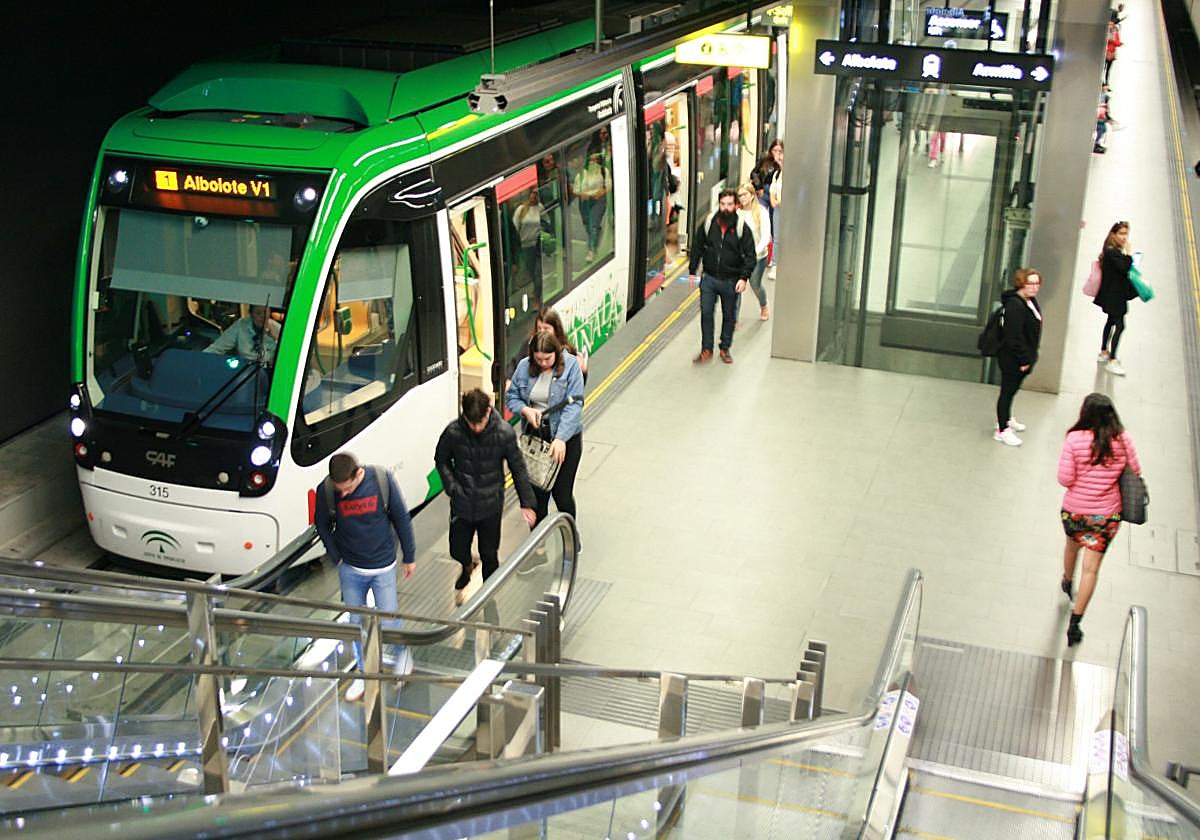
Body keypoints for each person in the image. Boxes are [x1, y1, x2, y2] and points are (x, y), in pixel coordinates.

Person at [314, 452, 417, 702]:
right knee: (355, 623)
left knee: (390, 618)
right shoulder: (327, 490)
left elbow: (401, 517)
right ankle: (365, 672)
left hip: (383, 566)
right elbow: (322, 525)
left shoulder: (381, 479)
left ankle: (403, 654)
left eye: (348, 489)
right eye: (341, 491)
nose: (345, 494)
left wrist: (409, 555)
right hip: (350, 569)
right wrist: (337, 558)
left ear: (358, 473)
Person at [435, 389, 537, 606]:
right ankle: (467, 565)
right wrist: (452, 487)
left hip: (491, 505)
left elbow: (518, 468)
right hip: (462, 503)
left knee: (490, 554)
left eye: (479, 422)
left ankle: (489, 596)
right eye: (471, 424)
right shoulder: (453, 432)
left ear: (488, 411)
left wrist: (527, 503)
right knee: (457, 548)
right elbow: (441, 459)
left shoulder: (504, 433)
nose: (476, 428)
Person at [1058, 393, 1141, 646]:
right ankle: (1075, 624)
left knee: (1072, 544)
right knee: (1091, 569)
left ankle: (1067, 580)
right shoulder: (1122, 439)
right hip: (1106, 517)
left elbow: (1065, 479)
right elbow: (1136, 471)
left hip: (1074, 512)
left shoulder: (1074, 439)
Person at [505, 332, 585, 530]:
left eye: (547, 359)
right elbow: (512, 397)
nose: (543, 363)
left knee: (562, 495)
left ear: (556, 353)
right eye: (538, 359)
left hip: (565, 439)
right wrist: (525, 410)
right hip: (536, 438)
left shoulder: (571, 366)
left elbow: (575, 404)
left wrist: (561, 438)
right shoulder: (524, 367)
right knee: (538, 496)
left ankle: (570, 536)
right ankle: (538, 548)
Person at [687, 189, 757, 364]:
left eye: (729, 205)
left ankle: (725, 348)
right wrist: (692, 271)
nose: (725, 208)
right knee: (706, 313)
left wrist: (743, 278)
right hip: (709, 278)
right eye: (723, 204)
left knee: (729, 316)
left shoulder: (742, 228)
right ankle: (706, 349)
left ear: (736, 206)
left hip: (731, 280)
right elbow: (697, 246)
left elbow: (751, 256)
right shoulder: (709, 223)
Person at [993, 267, 1043, 447]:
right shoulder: (1015, 305)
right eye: (1030, 283)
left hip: (1023, 356)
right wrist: (1023, 359)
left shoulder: (1029, 301)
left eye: (1037, 283)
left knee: (1012, 390)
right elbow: (1014, 336)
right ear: (1021, 283)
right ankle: (1002, 429)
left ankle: (1006, 419)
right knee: (1007, 391)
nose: (1035, 287)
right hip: (1013, 358)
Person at [1094, 221, 1136, 376]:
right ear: (1113, 235)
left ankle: (1104, 351)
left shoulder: (1110, 250)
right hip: (1115, 296)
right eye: (1121, 234)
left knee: (1111, 321)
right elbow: (1124, 268)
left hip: (1111, 294)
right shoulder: (1112, 252)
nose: (1125, 237)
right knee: (1120, 325)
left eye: (1126, 234)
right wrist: (1129, 254)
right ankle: (1112, 358)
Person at [735, 183, 772, 322]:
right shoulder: (738, 213)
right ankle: (734, 318)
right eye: (740, 195)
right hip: (741, 258)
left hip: (758, 257)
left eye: (745, 194)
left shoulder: (761, 212)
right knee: (737, 286)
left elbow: (765, 237)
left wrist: (752, 253)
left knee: (755, 284)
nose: (742, 198)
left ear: (752, 195)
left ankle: (764, 305)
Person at [572, 148, 611, 262]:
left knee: (593, 223)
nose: (593, 162)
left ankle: (591, 250)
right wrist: (582, 194)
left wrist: (601, 192)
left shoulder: (603, 171)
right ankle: (595, 238)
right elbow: (576, 189)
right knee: (588, 224)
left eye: (596, 160)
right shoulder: (582, 175)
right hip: (585, 202)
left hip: (598, 201)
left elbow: (608, 185)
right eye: (591, 160)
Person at [204, 305, 280, 361]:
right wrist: (200, 359)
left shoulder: (278, 329)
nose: (262, 317)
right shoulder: (240, 326)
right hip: (245, 371)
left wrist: (274, 338)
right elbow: (217, 348)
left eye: (265, 313)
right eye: (258, 313)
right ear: (251, 314)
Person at [535, 307, 588, 381]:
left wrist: (583, 369)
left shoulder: (567, 352)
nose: (542, 332)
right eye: (539, 328)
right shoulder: (529, 346)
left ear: (555, 329)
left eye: (546, 328)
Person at [512, 189, 544, 305]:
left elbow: (547, 222)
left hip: (537, 244)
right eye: (532, 194)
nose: (534, 197)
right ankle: (537, 291)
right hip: (526, 246)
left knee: (538, 273)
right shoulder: (521, 210)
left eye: (536, 194)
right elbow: (514, 228)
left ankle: (537, 298)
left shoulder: (540, 208)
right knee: (532, 271)